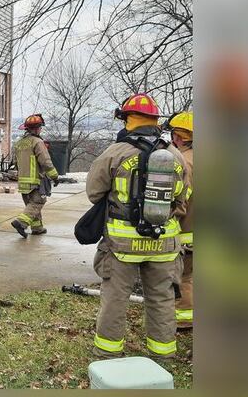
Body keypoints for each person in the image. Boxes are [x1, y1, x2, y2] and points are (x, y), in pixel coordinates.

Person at [86, 94, 189, 360]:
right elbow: (183, 196)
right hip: (164, 243)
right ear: (155, 120)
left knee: (115, 297)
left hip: (122, 245)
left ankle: (107, 353)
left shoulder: (115, 153)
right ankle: (163, 354)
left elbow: (94, 193)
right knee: (162, 298)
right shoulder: (174, 155)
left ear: (128, 119)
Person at [11, 113, 59, 238]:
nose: (41, 130)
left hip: (23, 181)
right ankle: (21, 223)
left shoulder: (19, 144)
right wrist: (54, 176)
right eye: (40, 127)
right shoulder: (37, 142)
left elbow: (15, 163)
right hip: (36, 181)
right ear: (37, 128)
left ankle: (37, 228)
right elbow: (45, 162)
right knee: (38, 202)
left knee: (31, 205)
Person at [167, 111, 194, 330]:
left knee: (184, 276)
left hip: (188, 231)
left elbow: (181, 198)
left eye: (174, 134)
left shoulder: (185, 162)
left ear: (180, 137)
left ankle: (184, 318)